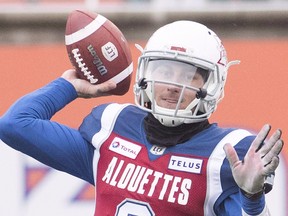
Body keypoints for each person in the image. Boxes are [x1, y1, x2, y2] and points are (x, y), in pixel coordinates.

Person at [0, 20, 284, 216]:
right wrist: (69, 86)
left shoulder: (226, 155)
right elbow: (15, 124)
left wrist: (252, 198)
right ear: (147, 74)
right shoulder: (112, 128)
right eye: (165, 72)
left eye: (189, 75)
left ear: (211, 85)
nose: (174, 85)